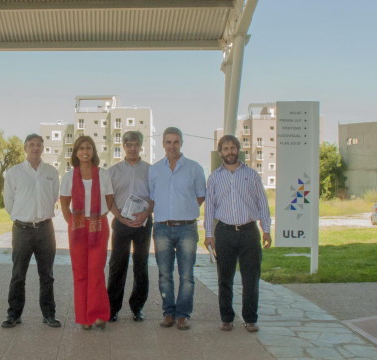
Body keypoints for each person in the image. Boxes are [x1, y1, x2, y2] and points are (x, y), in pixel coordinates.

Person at [204, 135, 272, 333]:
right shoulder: (214, 177)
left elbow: (263, 204)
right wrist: (209, 234)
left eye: (233, 148)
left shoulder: (251, 175)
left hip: (249, 232)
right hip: (224, 232)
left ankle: (250, 319)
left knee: (251, 278)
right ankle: (226, 318)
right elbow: (210, 208)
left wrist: (266, 230)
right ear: (220, 153)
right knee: (224, 278)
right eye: (225, 149)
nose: (230, 152)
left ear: (238, 150)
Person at [148, 127, 206, 330]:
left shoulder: (194, 168)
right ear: (163, 144)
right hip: (162, 228)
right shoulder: (154, 170)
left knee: (187, 275)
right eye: (168, 142)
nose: (172, 146)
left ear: (181, 143)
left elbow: (200, 196)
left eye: (176, 142)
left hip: (187, 229)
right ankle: (168, 313)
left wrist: (185, 211)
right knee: (165, 274)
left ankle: (183, 314)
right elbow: (152, 198)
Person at [2, 133, 61, 329]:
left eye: (38, 144)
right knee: (18, 274)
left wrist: (39, 215)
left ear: (43, 147)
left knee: (47, 275)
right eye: (31, 144)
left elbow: (53, 198)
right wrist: (24, 216)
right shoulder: (13, 173)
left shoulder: (51, 172)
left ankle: (49, 314)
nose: (35, 148)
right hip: (22, 230)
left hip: (45, 230)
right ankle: (14, 315)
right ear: (25, 148)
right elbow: (9, 202)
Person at [60, 135, 114, 330]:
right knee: (80, 273)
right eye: (81, 148)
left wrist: (96, 218)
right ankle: (84, 317)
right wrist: (75, 222)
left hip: (99, 226)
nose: (85, 151)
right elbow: (65, 204)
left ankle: (98, 314)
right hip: (77, 229)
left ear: (93, 152)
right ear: (75, 152)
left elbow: (109, 200)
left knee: (96, 272)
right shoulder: (69, 176)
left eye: (88, 148)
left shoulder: (103, 175)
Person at [106, 131, 153, 322]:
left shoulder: (151, 170)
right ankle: (113, 308)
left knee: (141, 266)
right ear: (123, 146)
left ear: (141, 146)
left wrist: (146, 213)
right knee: (117, 265)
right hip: (121, 223)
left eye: (136, 144)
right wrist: (120, 217)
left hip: (143, 224)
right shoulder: (113, 171)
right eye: (129, 144)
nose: (133, 148)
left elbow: (155, 197)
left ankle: (137, 307)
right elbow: (108, 199)